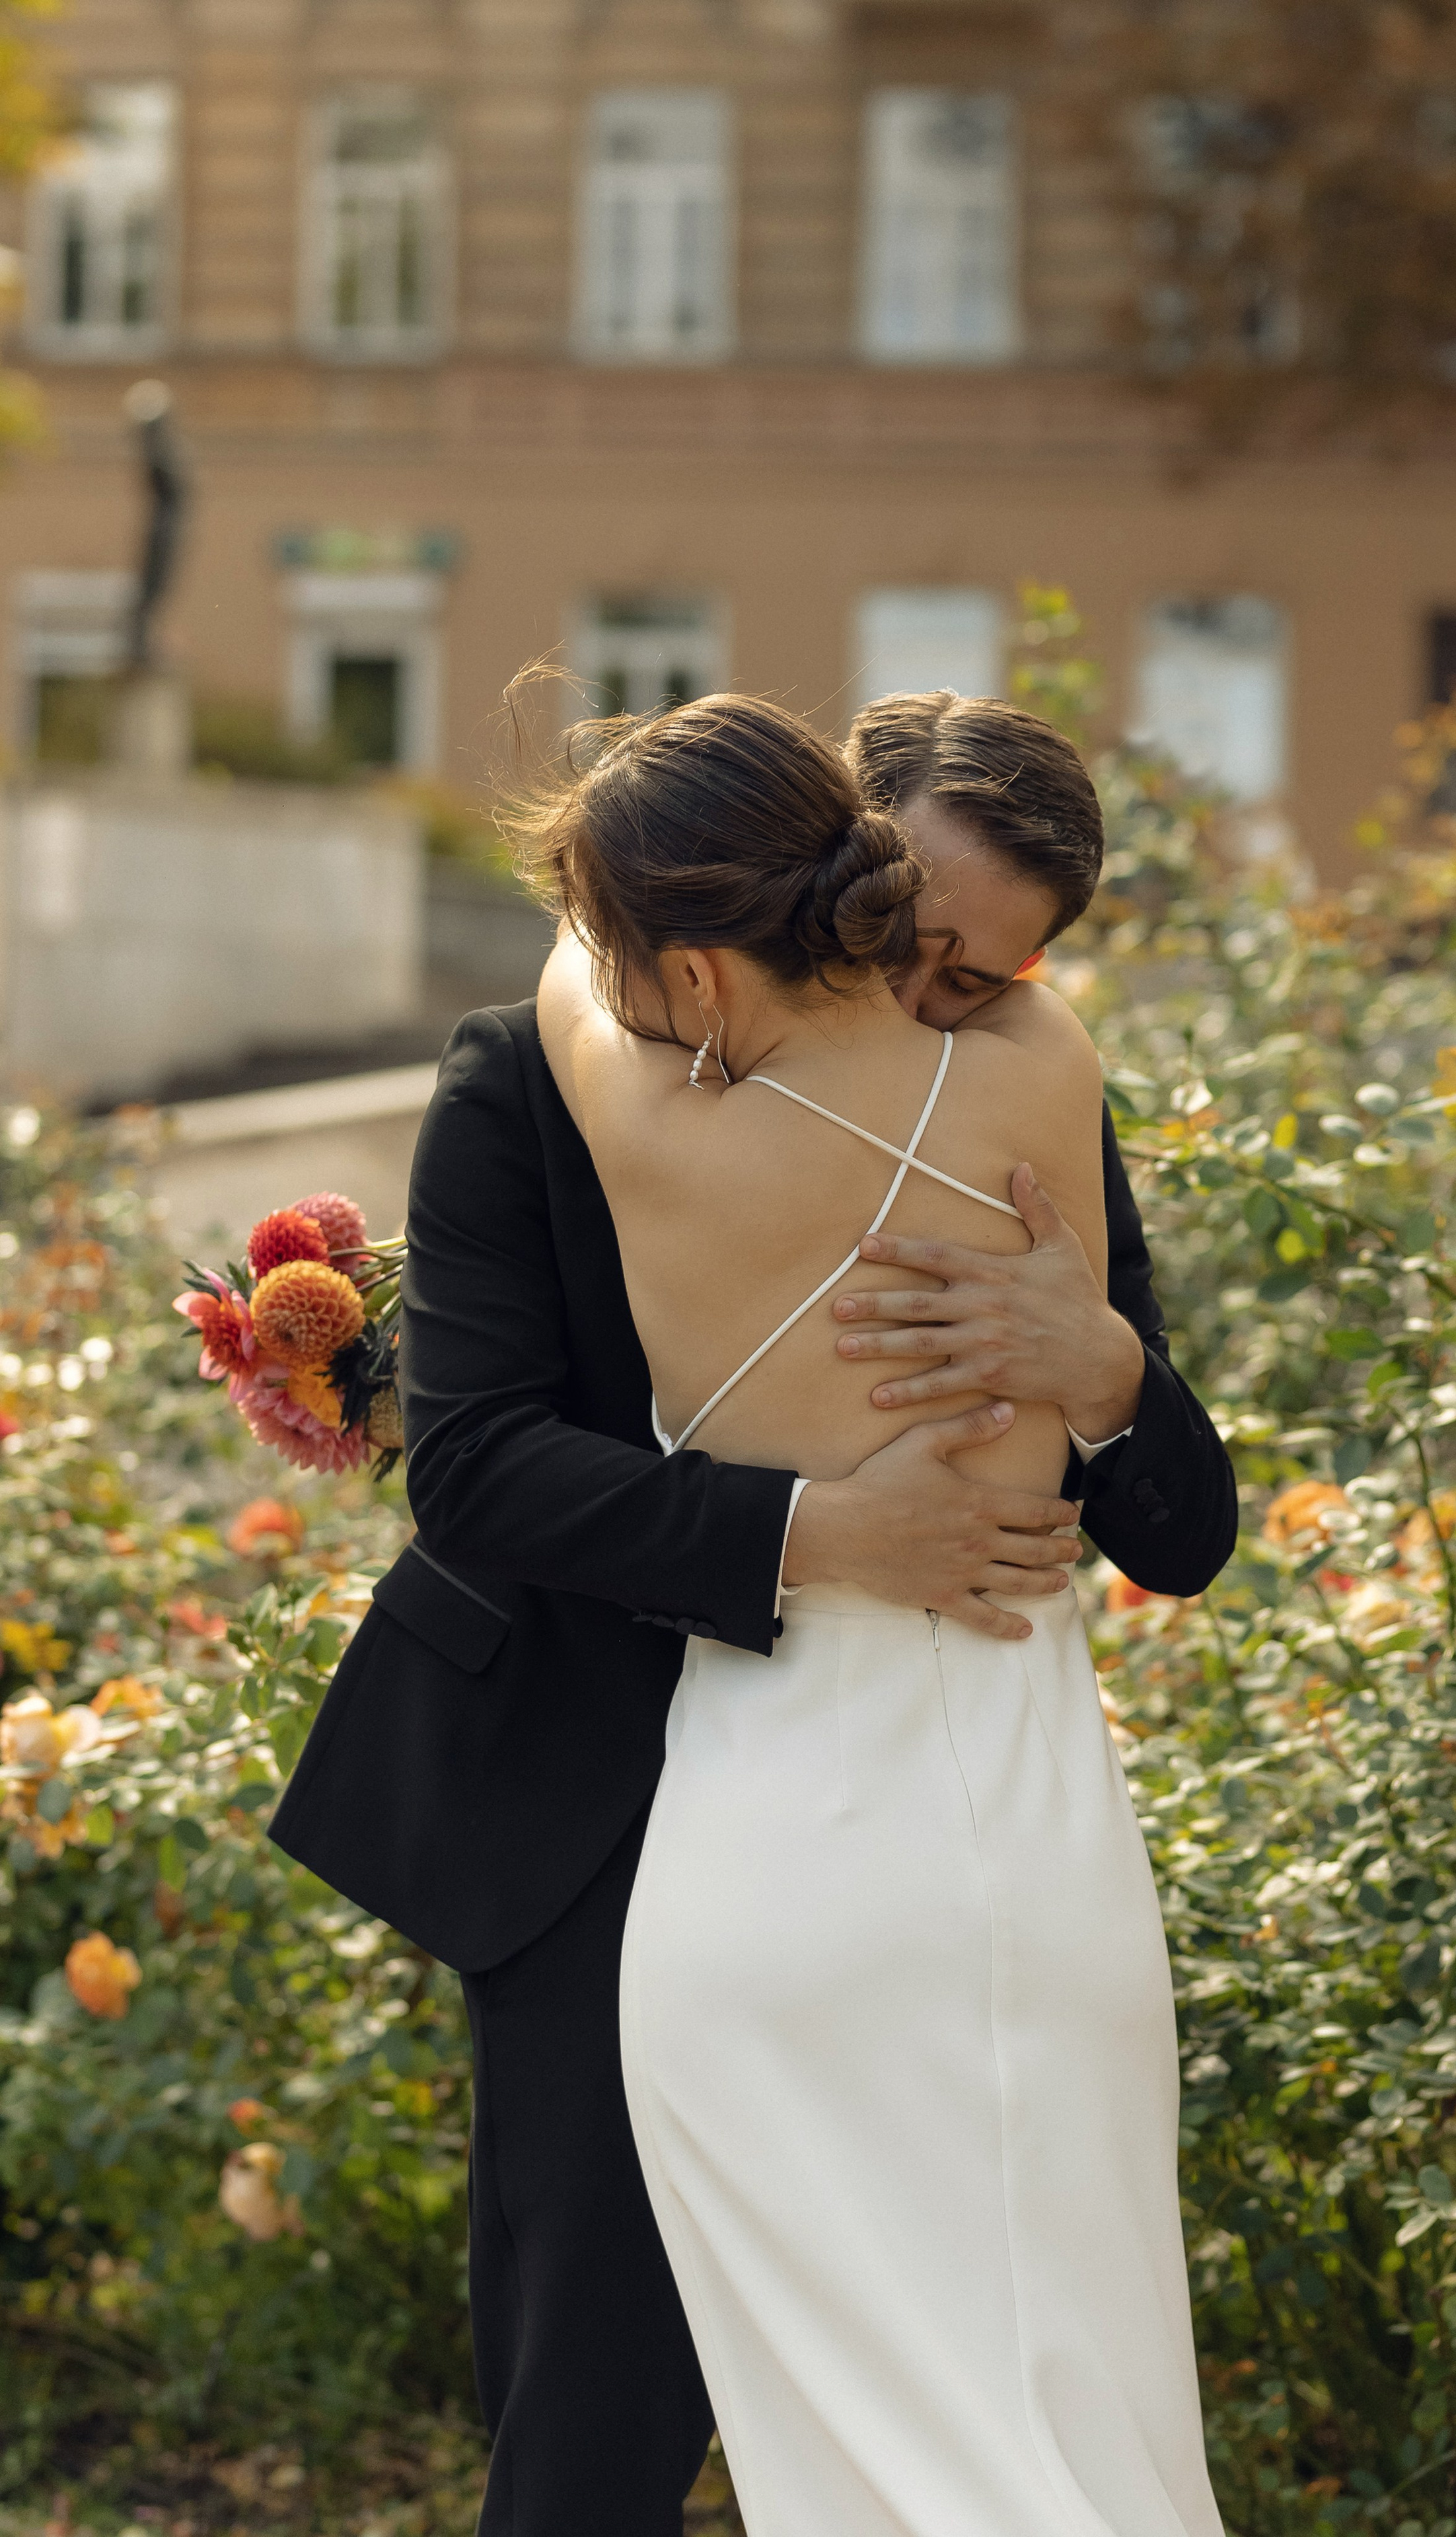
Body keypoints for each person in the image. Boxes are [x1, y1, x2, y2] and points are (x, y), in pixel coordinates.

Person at [268, 690, 1235, 2537]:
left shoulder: (1013, 1068)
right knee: (595, 2430)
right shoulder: (531, 1074)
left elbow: (1179, 1531)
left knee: (969, 2359)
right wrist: (817, 1532)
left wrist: (1111, 1376)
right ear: (828, 861)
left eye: (988, 975)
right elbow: (477, 1470)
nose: (938, 1001)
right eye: (915, 941)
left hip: (931, 1819)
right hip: (596, 1810)